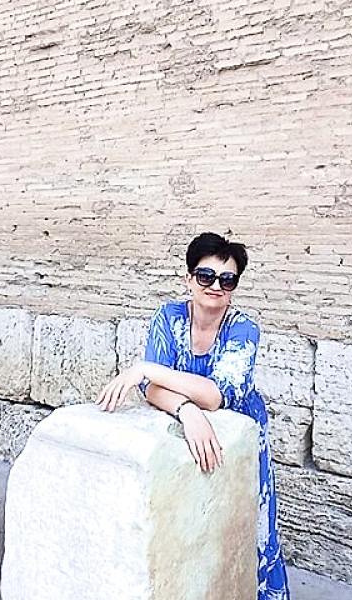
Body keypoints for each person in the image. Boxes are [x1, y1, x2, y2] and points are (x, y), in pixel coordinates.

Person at [95, 231, 290, 600]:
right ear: (189, 279)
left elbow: (217, 394)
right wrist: (187, 410)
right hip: (191, 433)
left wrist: (146, 369)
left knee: (252, 532)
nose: (215, 286)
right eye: (206, 276)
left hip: (239, 442)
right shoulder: (168, 317)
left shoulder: (244, 329)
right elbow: (151, 390)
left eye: (227, 280)